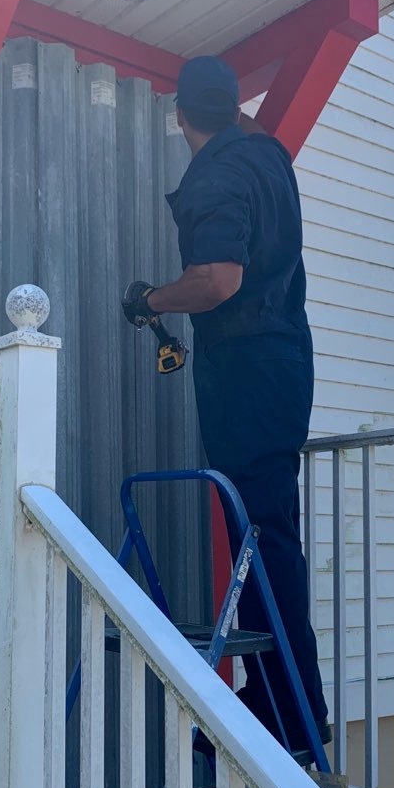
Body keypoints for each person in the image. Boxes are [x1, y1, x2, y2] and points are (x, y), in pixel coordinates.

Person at [121, 55, 330, 752]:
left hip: (243, 366)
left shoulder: (215, 174)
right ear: (237, 109)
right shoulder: (270, 158)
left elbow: (215, 279)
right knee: (270, 529)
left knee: (261, 531)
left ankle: (289, 716)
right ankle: (277, 698)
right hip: (285, 359)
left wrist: (149, 300)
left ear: (181, 116)